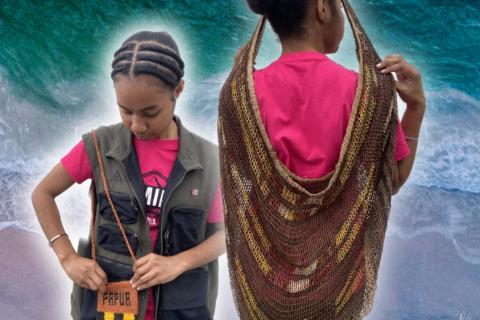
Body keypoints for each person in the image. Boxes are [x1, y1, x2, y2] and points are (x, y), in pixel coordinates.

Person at [31, 31, 225, 320]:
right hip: (108, 311)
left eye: (150, 113)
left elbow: (231, 234)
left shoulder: (210, 162)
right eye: (126, 111)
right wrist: (67, 257)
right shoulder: (98, 146)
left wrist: (179, 263)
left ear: (179, 90)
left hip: (180, 311)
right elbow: (42, 194)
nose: (137, 125)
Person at [246, 0, 426, 190]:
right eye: (340, 6)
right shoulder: (364, 93)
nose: (342, 11)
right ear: (322, 7)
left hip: (273, 220)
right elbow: (392, 182)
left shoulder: (246, 92)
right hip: (350, 222)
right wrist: (416, 107)